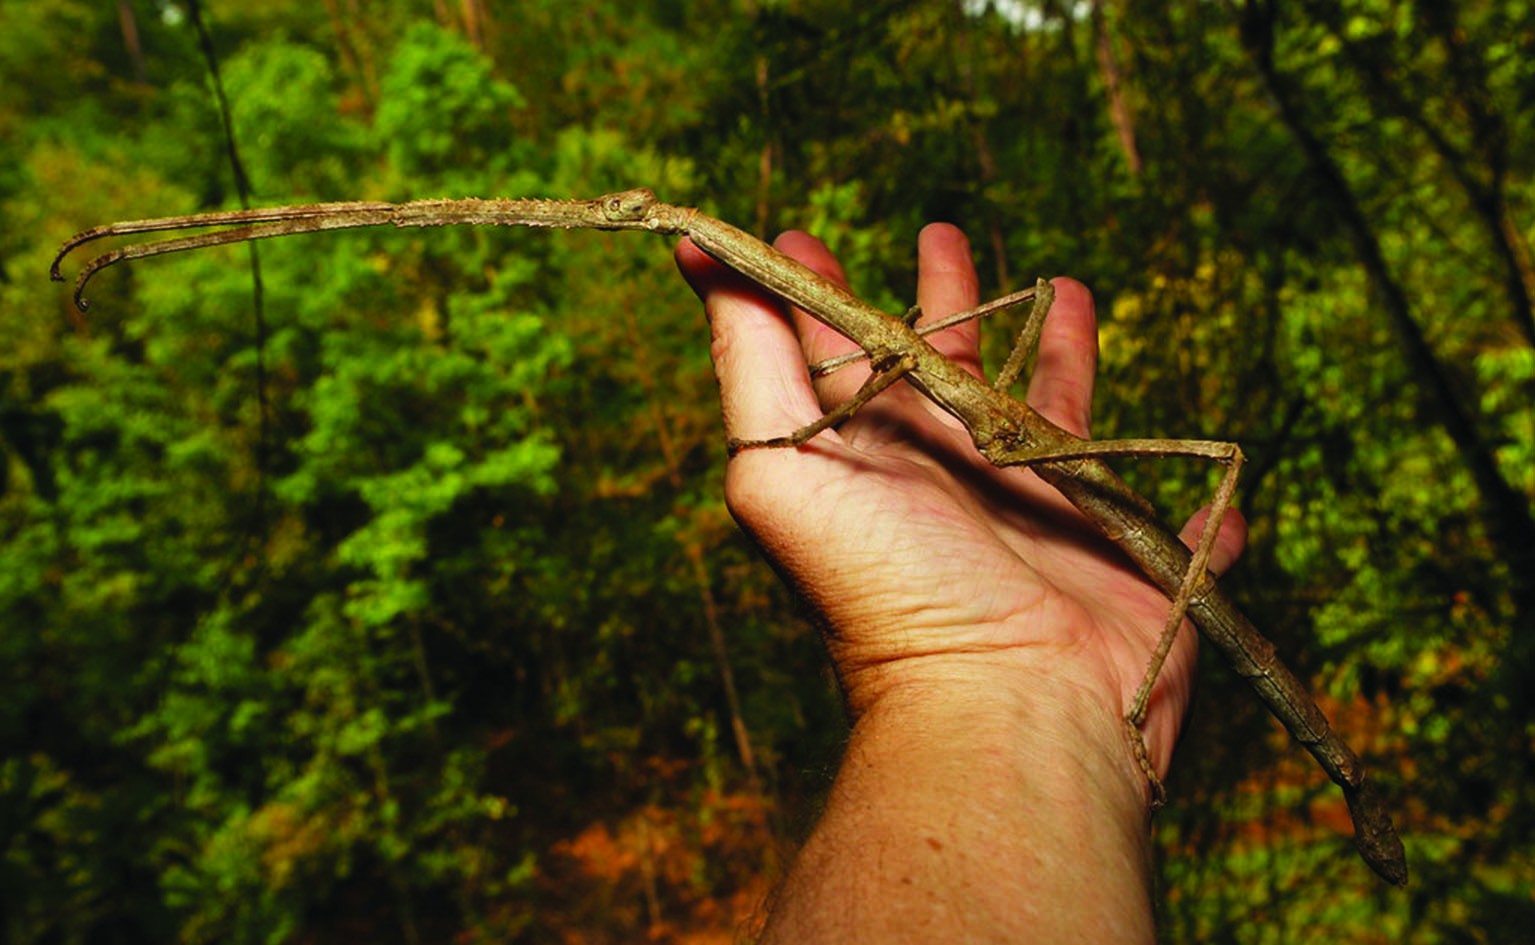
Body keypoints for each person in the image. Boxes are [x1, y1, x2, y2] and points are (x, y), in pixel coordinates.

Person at [675, 223, 1246, 944]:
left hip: (1105, 517)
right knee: (1029, 303)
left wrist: (794, 436)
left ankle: (1141, 711)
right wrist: (1017, 684)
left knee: (1214, 451)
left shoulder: (899, 371)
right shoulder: (897, 362)